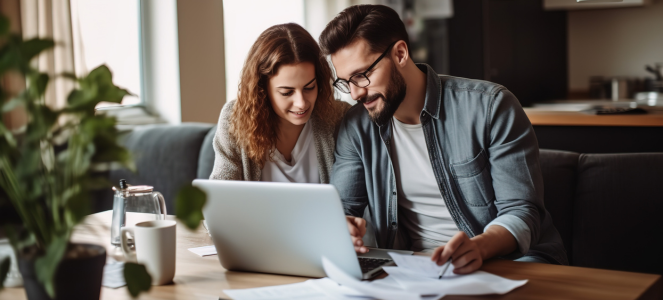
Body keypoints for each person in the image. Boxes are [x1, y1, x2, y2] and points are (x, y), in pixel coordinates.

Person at [320, 5, 568, 274]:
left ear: (400, 54)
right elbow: (344, 208)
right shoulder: (356, 127)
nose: (355, 93)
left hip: (511, 262)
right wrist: (343, 225)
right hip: (413, 268)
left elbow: (522, 212)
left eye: (362, 76)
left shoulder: (491, 107)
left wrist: (480, 247)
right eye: (346, 82)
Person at [210, 23, 350, 183]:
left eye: (309, 87)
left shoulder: (341, 118)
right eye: (287, 92)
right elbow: (221, 190)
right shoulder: (234, 119)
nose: (301, 103)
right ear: (262, 90)